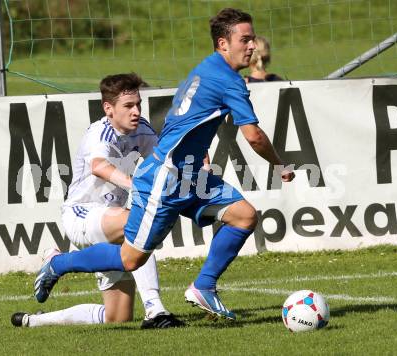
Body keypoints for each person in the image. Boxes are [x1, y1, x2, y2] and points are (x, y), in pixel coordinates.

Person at [34, 8, 294, 321]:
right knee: (130, 260)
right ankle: (58, 264)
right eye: (245, 39)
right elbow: (253, 137)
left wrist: (199, 158)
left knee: (244, 216)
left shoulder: (205, 69)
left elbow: (181, 121)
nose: (252, 46)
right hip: (166, 180)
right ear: (223, 44)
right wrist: (280, 164)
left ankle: (204, 286)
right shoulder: (229, 82)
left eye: (253, 39)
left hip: (187, 175)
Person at [12, 73, 184, 329]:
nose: (136, 111)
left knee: (117, 316)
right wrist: (135, 185)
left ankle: (35, 319)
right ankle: (156, 310)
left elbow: (161, 164)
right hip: (81, 214)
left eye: (138, 104)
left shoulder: (143, 131)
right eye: (128, 106)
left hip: (110, 220)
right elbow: (98, 166)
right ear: (108, 108)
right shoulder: (100, 132)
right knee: (135, 225)